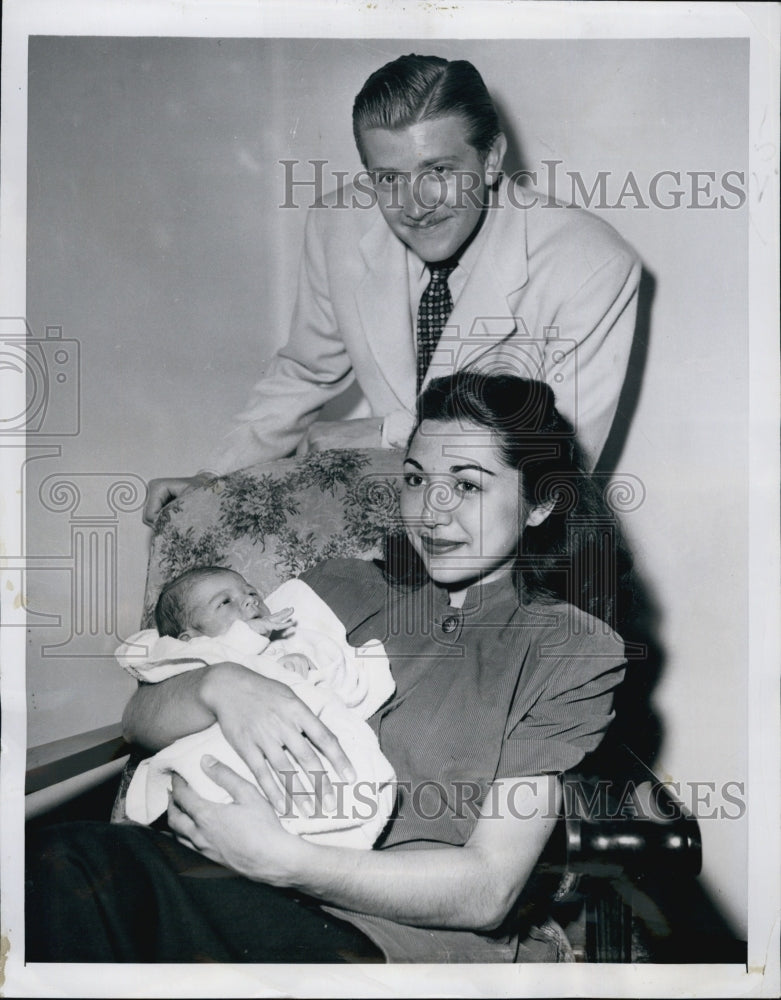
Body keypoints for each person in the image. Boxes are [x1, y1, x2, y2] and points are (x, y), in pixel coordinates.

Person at [27, 372, 631, 963]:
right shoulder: (341, 586)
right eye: (417, 479)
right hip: (212, 880)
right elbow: (139, 719)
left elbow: (487, 888)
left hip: (385, 940)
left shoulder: (567, 650)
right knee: (52, 865)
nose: (431, 512)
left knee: (69, 869)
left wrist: (283, 860)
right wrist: (222, 685)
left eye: (468, 486)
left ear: (541, 503)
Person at [142, 53, 641, 526]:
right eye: (388, 178)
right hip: (391, 518)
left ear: (491, 159)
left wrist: (385, 434)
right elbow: (304, 372)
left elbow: (551, 457)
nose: (415, 206)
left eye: (439, 171)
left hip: (509, 540)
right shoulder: (336, 225)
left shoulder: (591, 263)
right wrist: (212, 478)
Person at [115, 566, 396, 848]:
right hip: (219, 758)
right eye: (225, 602)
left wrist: (304, 669)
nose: (250, 600)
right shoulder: (190, 657)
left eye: (251, 592)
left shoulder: (285, 643)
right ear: (189, 638)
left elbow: (332, 689)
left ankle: (323, 834)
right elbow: (218, 657)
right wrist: (250, 637)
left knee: (326, 781)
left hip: (286, 755)